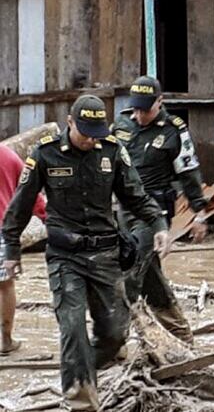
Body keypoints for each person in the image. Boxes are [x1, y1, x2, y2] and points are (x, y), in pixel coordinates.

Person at [1, 95, 169, 411]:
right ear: (69, 122)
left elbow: (136, 196)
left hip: (106, 254)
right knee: (72, 326)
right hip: (66, 257)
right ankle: (81, 399)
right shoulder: (45, 155)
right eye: (85, 132)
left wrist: (159, 223)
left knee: (115, 333)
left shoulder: (112, 152)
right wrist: (11, 249)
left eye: (97, 132)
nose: (91, 139)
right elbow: (20, 206)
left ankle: (84, 369)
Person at [112, 76, 207, 343]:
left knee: (130, 272)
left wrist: (199, 213)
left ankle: (114, 343)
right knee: (149, 273)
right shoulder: (120, 124)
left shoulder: (174, 130)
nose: (140, 115)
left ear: (160, 102)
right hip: (123, 211)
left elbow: (189, 172)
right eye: (137, 109)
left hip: (154, 214)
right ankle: (180, 333)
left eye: (147, 109)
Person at [0, 145, 47, 356]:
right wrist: (49, 218)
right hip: (3, 229)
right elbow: (31, 191)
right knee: (5, 285)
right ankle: (5, 339)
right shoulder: (8, 155)